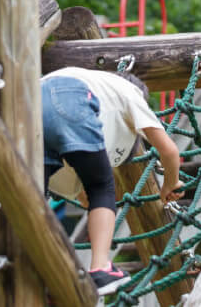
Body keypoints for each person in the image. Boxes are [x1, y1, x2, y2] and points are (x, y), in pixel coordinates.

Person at [41, 66, 183, 295]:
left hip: (29, 99)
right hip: (73, 98)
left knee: (35, 194)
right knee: (102, 187)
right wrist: (170, 183)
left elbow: (81, 182)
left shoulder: (95, 83)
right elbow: (169, 152)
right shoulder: (130, 91)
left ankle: (34, 268)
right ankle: (100, 268)